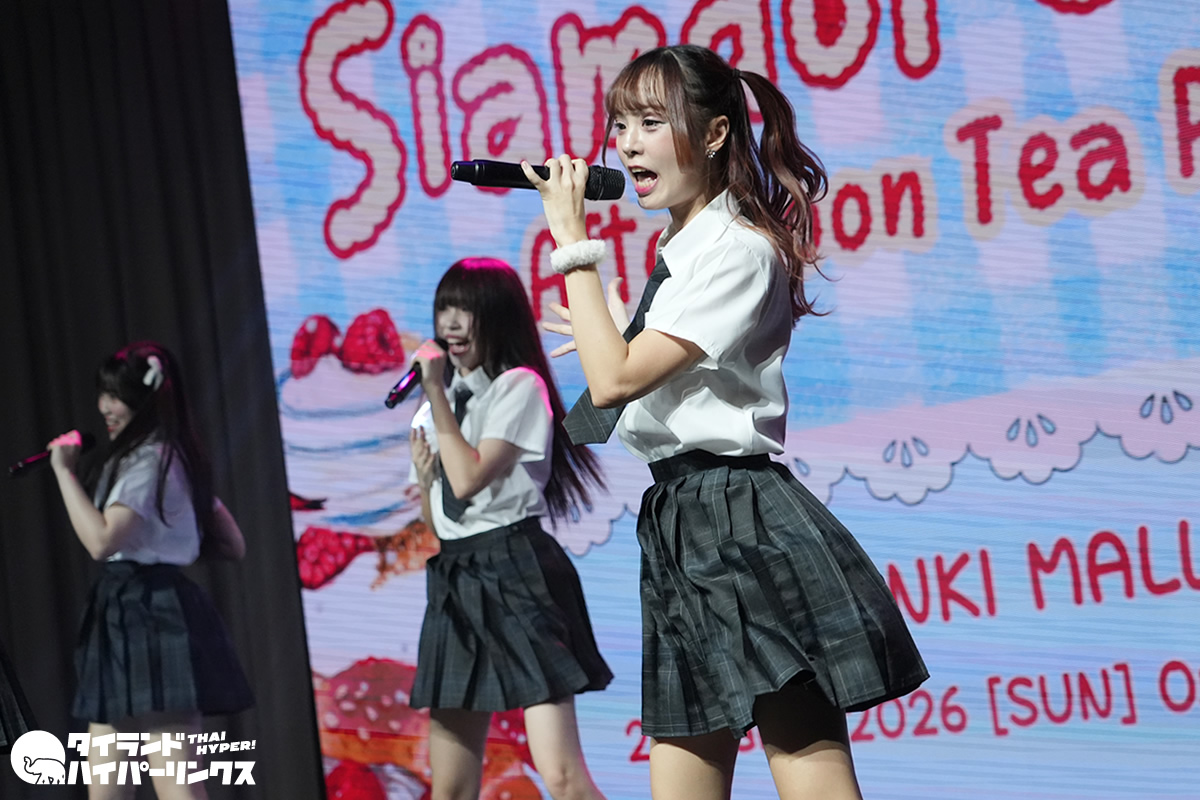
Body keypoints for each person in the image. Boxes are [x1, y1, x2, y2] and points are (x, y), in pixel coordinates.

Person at [521, 44, 929, 800]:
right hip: (681, 522)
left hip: (740, 520)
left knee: (811, 775)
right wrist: (619, 323)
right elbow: (627, 381)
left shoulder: (736, 250)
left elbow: (612, 383)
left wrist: (572, 242)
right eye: (620, 125)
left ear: (713, 134)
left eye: (650, 122)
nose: (627, 144)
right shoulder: (681, 251)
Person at [406, 258, 612, 800]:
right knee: (450, 787)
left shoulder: (519, 387)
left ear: (496, 317)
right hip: (456, 576)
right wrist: (426, 481)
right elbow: (442, 519)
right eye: (444, 309)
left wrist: (435, 394)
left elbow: (469, 477)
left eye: (465, 310)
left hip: (515, 567)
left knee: (561, 776)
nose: (450, 323)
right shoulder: (436, 406)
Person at [47, 341, 253, 799]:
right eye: (103, 394)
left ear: (146, 400)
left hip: (150, 612)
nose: (105, 407)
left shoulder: (151, 461)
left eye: (116, 396)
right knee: (109, 785)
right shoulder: (164, 458)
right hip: (127, 610)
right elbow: (231, 544)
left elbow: (101, 540)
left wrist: (64, 473)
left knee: (174, 780)